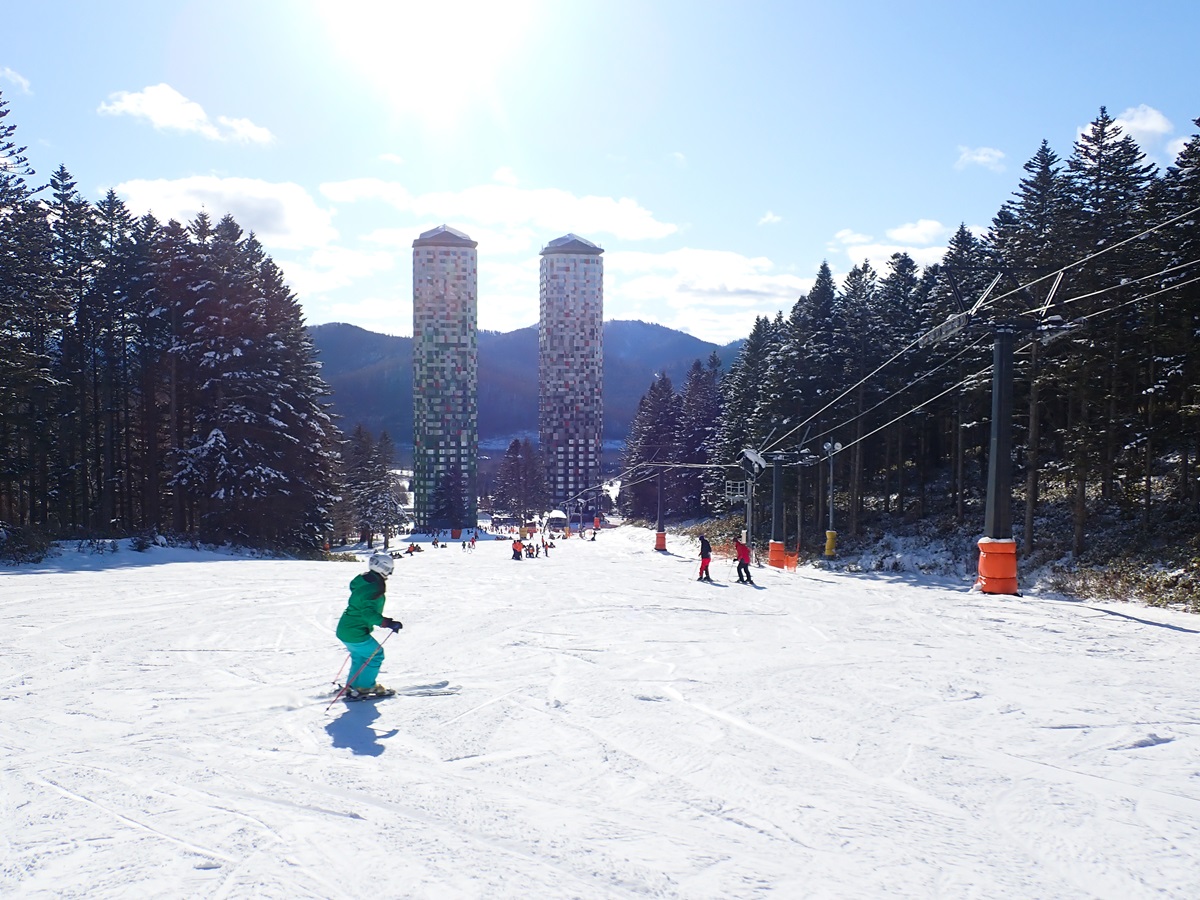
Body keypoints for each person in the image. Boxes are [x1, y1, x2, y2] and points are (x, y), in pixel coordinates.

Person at [335, 551, 403, 698]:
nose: (389, 574)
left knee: (359, 657)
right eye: (389, 571)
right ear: (384, 569)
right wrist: (388, 623)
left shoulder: (364, 581)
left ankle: (352, 686)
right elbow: (368, 613)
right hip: (355, 631)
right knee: (376, 655)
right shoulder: (374, 588)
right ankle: (365, 687)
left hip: (345, 628)